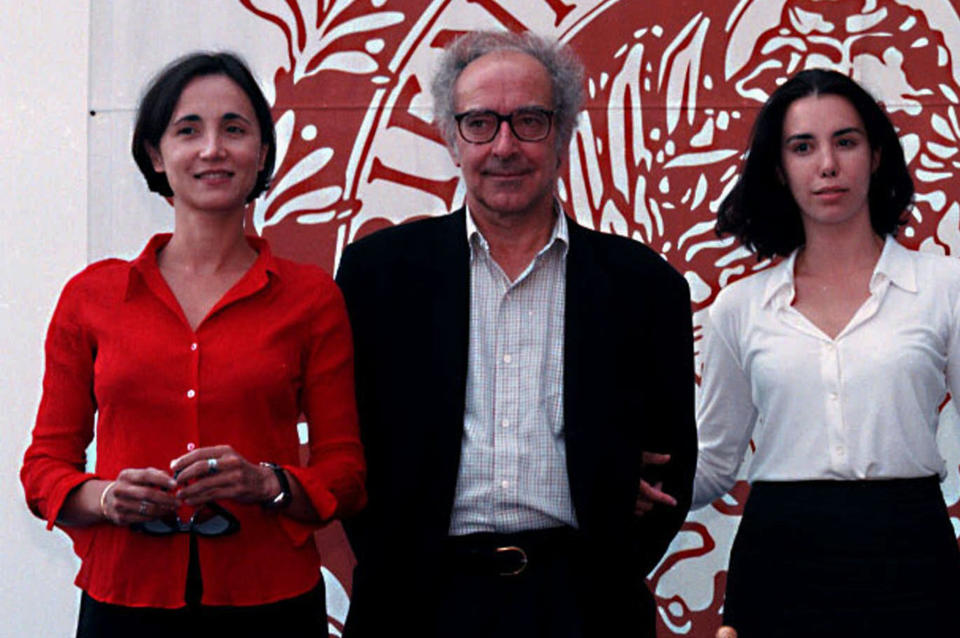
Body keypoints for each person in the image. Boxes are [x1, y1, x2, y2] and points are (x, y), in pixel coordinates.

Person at [335, 30, 697, 638]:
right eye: (480, 123)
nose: (504, 145)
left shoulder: (644, 284)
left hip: (584, 607)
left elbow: (670, 468)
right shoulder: (378, 277)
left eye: (529, 120)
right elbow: (349, 448)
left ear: (563, 136)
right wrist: (400, 563)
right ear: (451, 139)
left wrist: (605, 527)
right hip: (416, 606)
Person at [20, 52, 366, 637]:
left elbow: (346, 473)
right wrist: (105, 498)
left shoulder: (311, 298)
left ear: (262, 154)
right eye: (188, 130)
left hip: (272, 602)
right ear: (156, 154)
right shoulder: (92, 296)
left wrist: (269, 484)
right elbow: (43, 469)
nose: (213, 149)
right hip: (125, 601)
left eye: (234, 129)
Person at [693, 69, 960, 636]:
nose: (828, 165)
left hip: (912, 552)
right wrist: (614, 473)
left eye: (846, 141)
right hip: (780, 558)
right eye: (802, 147)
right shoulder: (738, 308)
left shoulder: (945, 286)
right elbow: (714, 462)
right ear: (779, 169)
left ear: (878, 155)